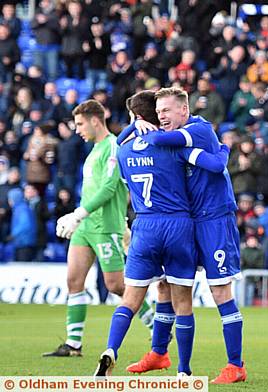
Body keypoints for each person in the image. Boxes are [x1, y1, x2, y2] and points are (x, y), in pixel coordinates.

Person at [94, 90, 231, 378]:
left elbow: (120, 144)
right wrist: (224, 150)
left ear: (136, 118)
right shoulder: (174, 147)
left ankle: (111, 349)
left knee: (131, 299)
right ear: (156, 115)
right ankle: (184, 370)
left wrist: (132, 128)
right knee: (182, 301)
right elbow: (216, 166)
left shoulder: (124, 150)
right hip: (178, 226)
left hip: (144, 226)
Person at [43, 100, 155, 357]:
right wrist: (79, 217)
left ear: (96, 120)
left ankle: (157, 326)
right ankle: (73, 345)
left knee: (116, 285)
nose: (77, 130)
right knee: (74, 280)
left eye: (81, 124)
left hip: (105, 226)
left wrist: (78, 213)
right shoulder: (94, 150)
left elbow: (108, 188)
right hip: (85, 225)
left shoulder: (114, 146)